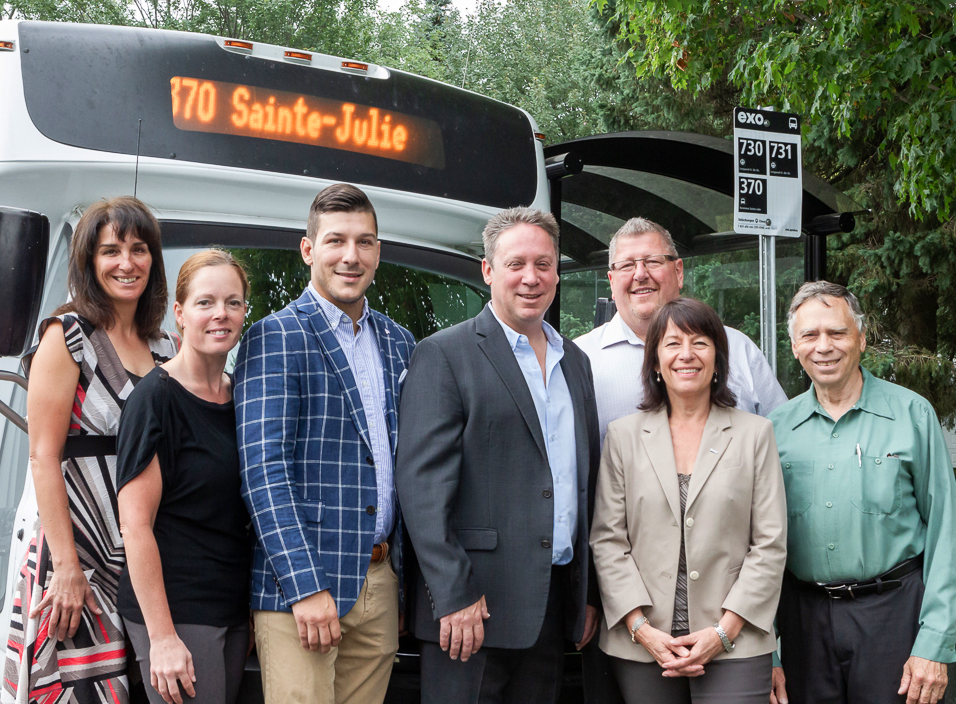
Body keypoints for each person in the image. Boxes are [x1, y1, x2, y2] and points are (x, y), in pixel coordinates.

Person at [395, 206, 602, 703]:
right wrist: (453, 594)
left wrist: (587, 594)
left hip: (551, 607)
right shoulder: (444, 354)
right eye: (516, 264)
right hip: (471, 610)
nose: (531, 277)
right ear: (488, 270)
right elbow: (422, 490)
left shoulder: (575, 361)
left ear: (557, 273)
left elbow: (584, 482)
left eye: (543, 264)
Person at [235, 183, 415, 704]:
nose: (351, 256)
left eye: (365, 242)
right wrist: (306, 586)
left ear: (378, 251)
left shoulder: (399, 342)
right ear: (309, 249)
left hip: (379, 581)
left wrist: (398, 582)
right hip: (303, 587)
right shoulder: (275, 336)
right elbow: (264, 472)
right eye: (336, 240)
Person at [2, 197, 178, 704]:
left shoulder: (167, 348)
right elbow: (43, 457)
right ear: (89, 261)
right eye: (111, 251)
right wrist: (65, 568)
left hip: (146, 560)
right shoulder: (67, 337)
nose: (127, 263)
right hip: (78, 556)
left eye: (139, 249)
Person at [769, 281, 956, 704]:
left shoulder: (912, 415)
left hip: (894, 617)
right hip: (803, 624)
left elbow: (947, 534)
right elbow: (760, 547)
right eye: (810, 335)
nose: (824, 346)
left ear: (861, 338)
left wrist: (934, 642)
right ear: (795, 346)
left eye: (837, 332)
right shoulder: (775, 429)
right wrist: (767, 651)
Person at [590, 297, 787, 704]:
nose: (686, 354)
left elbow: (769, 544)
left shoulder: (755, 434)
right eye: (672, 343)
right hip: (643, 645)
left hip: (737, 641)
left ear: (718, 359)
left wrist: (724, 631)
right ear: (654, 362)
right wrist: (641, 628)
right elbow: (608, 541)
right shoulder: (623, 437)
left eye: (700, 343)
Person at [116, 250, 253, 704]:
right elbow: (135, 526)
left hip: (231, 605)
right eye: (205, 302)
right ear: (179, 313)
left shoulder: (243, 397)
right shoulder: (155, 399)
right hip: (177, 610)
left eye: (233, 302)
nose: (221, 314)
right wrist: (162, 637)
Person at [574, 217, 787, 438]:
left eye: (653, 261)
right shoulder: (580, 358)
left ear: (678, 272)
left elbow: (782, 439)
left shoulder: (737, 347)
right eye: (627, 265)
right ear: (611, 281)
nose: (640, 274)